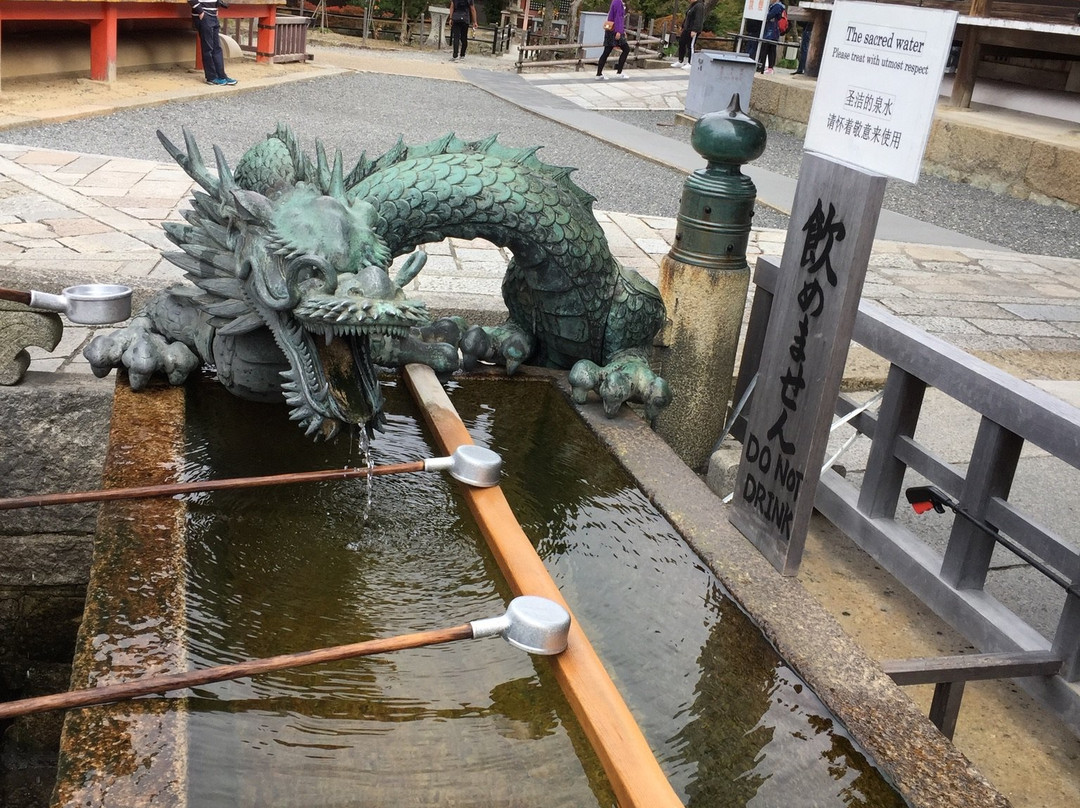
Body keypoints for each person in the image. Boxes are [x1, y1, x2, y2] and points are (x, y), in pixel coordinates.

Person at [188, 0, 236, 86]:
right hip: (203, 15)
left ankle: (221, 75)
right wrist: (200, 11)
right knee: (208, 48)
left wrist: (216, 6)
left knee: (217, 47)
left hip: (213, 14)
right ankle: (211, 77)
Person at [596, 0, 631, 80]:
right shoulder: (618, 2)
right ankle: (619, 72)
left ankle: (599, 74)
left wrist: (623, 30)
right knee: (626, 49)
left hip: (610, 30)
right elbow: (618, 18)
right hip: (615, 31)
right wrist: (619, 31)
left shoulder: (615, 1)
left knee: (606, 52)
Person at [676, 0, 704, 70]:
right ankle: (680, 60)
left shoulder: (699, 6)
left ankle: (690, 63)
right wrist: (683, 26)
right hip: (687, 28)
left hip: (693, 29)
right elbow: (687, 17)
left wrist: (694, 30)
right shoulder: (692, 5)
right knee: (681, 42)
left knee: (690, 45)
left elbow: (698, 19)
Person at [759, 1, 785, 74]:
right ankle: (769, 67)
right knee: (770, 50)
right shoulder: (776, 6)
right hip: (773, 31)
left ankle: (766, 66)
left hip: (771, 30)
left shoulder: (777, 6)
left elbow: (770, 15)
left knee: (767, 49)